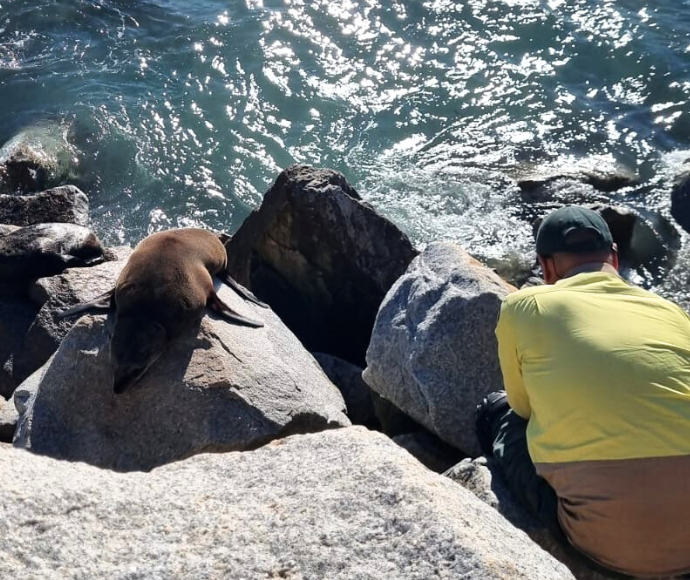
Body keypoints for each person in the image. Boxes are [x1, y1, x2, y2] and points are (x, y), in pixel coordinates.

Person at [475, 205, 690, 578]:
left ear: (546, 267)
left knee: (496, 414)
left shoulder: (524, 305)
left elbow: (522, 410)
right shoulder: (672, 312)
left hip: (609, 547)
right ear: (616, 259)